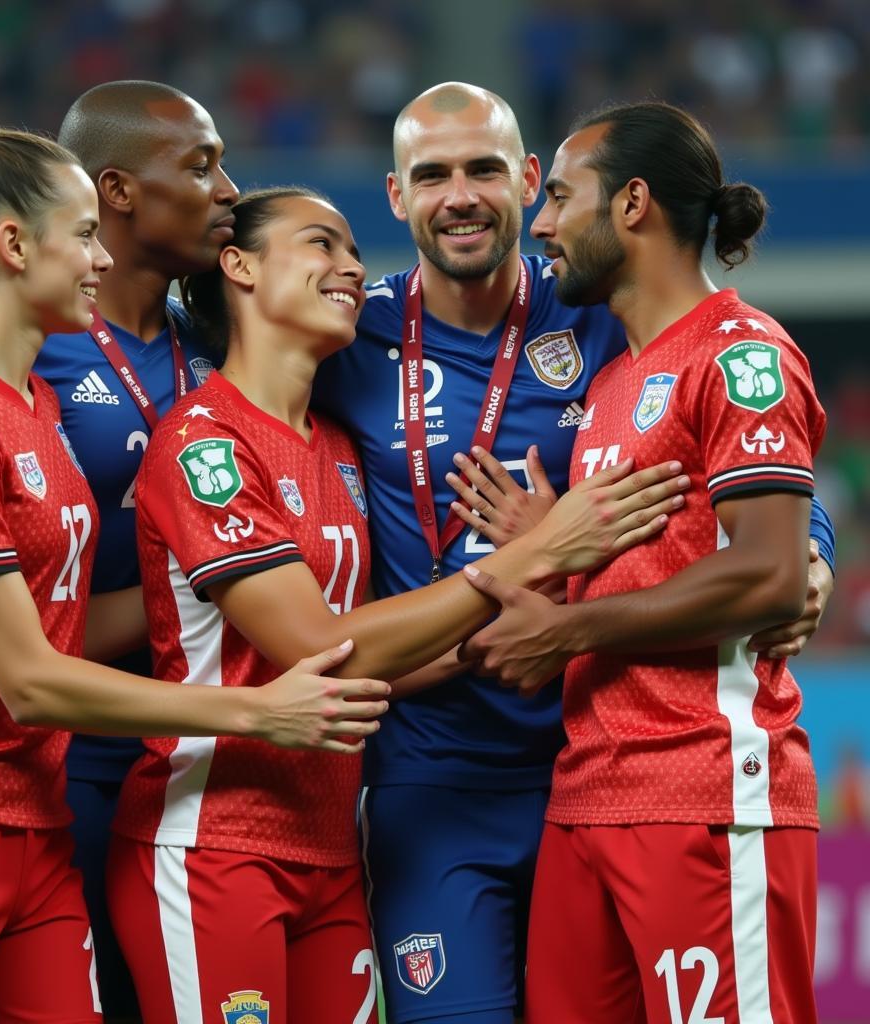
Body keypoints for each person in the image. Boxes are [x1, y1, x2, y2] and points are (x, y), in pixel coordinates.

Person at [313, 82, 836, 1023]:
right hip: (449, 776)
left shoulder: (603, 314)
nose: (460, 195)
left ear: (521, 182)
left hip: (609, 751)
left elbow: (765, 477)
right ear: (396, 197)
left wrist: (813, 559)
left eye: (488, 172)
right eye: (431, 174)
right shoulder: (347, 334)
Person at [104, 186, 690, 1024]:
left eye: (352, 250)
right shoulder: (206, 443)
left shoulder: (338, 446)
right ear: (237, 265)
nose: (350, 267)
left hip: (330, 846)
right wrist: (540, 552)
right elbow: (320, 646)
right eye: (321, 244)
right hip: (215, 842)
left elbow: (375, 664)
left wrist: (529, 627)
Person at [0, 130, 391, 1024]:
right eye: (84, 234)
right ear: (15, 247)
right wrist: (256, 708)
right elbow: (29, 679)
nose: (105, 257)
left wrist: (207, 588)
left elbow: (60, 627)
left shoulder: (38, 407)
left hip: (37, 818)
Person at [461, 101, 825, 1021]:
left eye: (560, 197)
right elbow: (679, 549)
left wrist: (568, 626)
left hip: (707, 787)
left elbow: (769, 572)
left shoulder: (743, 354)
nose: (540, 224)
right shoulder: (616, 380)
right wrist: (558, 554)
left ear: (631, 204)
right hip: (588, 795)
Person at [0, 79, 237, 1021]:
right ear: (117, 191)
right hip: (57, 755)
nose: (229, 192)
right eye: (204, 166)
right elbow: (1, 637)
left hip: (192, 759)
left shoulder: (210, 346)